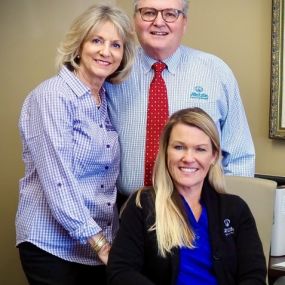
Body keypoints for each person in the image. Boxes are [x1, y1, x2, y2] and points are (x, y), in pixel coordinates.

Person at [15, 4, 135, 285]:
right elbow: (59, 181)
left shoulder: (105, 100)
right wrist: (101, 245)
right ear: (79, 46)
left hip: (93, 246)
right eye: (97, 40)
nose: (106, 52)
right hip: (53, 246)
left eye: (116, 45)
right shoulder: (53, 96)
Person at [105, 0, 255, 200]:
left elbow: (240, 155)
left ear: (184, 22)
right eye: (148, 13)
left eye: (170, 14)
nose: (159, 22)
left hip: (201, 209)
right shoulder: (113, 72)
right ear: (135, 21)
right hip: (129, 209)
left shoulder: (216, 72)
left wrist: (228, 212)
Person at [107, 107, 266, 285]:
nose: (188, 158)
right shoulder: (143, 206)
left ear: (213, 156)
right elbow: (120, 271)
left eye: (200, 149)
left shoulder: (235, 210)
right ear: (166, 151)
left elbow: (254, 276)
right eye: (179, 147)